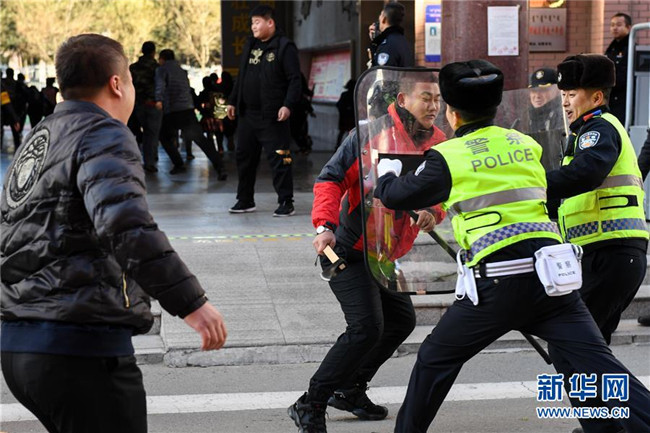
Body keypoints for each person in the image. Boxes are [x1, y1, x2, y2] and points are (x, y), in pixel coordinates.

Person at [372, 59, 650, 433]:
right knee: (598, 363)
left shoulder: (449, 156)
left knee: (434, 360)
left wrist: (386, 175)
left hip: (496, 284)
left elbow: (398, 195)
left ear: (452, 114)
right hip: (553, 281)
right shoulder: (526, 144)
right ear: (496, 107)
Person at [0, 33, 227, 433]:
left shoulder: (40, 138)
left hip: (20, 346)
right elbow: (126, 225)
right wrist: (192, 303)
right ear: (117, 84)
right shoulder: (102, 132)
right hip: (81, 348)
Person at [288, 71, 447, 433]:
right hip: (348, 248)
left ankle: (350, 389)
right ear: (403, 100)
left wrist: (432, 212)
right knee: (365, 328)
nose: (434, 106)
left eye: (438, 99)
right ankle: (310, 403)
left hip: (385, 255)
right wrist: (324, 227)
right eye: (426, 98)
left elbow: (441, 193)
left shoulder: (438, 143)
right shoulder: (368, 135)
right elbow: (330, 179)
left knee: (401, 322)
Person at [226, 4, 301, 216]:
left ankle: (286, 201)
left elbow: (295, 80)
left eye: (257, 22)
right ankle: (245, 200)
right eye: (252, 23)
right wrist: (232, 101)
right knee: (244, 158)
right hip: (248, 115)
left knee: (280, 158)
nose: (253, 27)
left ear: (270, 22)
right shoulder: (250, 45)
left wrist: (287, 105)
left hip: (273, 115)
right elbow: (241, 76)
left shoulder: (284, 47)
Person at [155, 48, 226, 179]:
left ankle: (178, 164)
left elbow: (160, 86)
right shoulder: (182, 71)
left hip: (173, 110)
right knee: (201, 140)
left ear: (162, 59)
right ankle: (220, 167)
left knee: (164, 136)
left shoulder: (162, 70)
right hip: (187, 109)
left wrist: (158, 100)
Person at [130, 41, 162, 173]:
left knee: (136, 134)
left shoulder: (133, 68)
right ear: (153, 52)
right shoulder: (157, 68)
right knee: (152, 134)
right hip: (153, 104)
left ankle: (135, 160)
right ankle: (150, 161)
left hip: (136, 104)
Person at [528, 67, 565, 171]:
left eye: (543, 90)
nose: (537, 96)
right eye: (534, 91)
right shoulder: (527, 116)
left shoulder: (562, 115)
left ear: (557, 91)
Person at [605, 12, 632, 124]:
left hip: (624, 98)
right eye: (612, 25)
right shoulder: (612, 48)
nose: (615, 28)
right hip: (612, 96)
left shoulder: (630, 47)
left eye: (619, 25)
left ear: (628, 27)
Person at [368, 2, 414, 67]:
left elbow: (380, 71)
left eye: (380, 16)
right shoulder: (404, 42)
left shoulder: (386, 45)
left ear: (384, 19)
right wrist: (376, 41)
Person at [335, 79, 356, 149]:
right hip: (349, 117)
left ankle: (338, 146)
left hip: (346, 117)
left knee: (343, 132)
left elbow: (338, 105)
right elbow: (339, 105)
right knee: (348, 132)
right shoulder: (353, 95)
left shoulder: (345, 94)